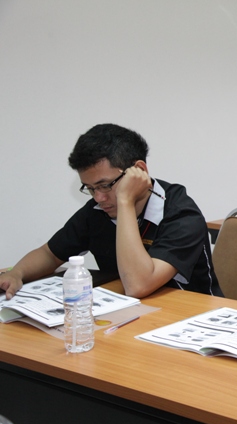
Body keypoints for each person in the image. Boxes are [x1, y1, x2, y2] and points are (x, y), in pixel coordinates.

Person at [0, 124, 221, 300]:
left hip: (190, 320)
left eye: (105, 185)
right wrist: (17, 273)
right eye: (90, 188)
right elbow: (50, 254)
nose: (99, 197)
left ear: (139, 171)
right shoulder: (97, 211)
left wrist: (125, 200)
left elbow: (138, 285)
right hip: (131, 314)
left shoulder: (181, 214)